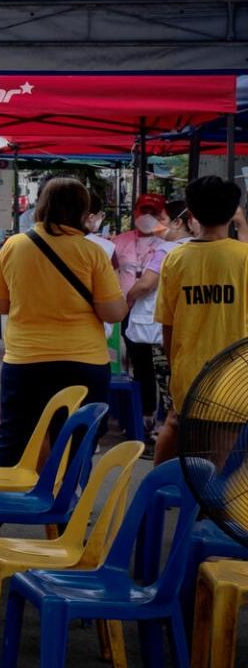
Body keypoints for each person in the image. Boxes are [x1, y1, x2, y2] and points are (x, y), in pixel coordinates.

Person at [0, 177, 127, 468]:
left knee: (15, 437)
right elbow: (113, 313)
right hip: (83, 360)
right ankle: (67, 505)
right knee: (78, 436)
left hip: (26, 361)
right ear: (83, 211)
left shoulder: (14, 246)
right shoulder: (92, 252)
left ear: (42, 205)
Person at [156, 175, 248, 463]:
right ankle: (208, 507)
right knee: (222, 448)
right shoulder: (244, 257)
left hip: (189, 371)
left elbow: (167, 326)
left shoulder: (176, 259)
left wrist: (175, 367)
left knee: (176, 425)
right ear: (233, 213)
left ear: (192, 214)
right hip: (235, 375)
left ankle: (153, 499)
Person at [125, 199, 191, 445]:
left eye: (162, 219)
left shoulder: (166, 250)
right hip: (188, 327)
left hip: (157, 329)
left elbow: (146, 284)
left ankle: (162, 440)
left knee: (165, 389)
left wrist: (128, 299)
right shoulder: (197, 248)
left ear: (179, 222)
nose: (157, 225)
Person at [113, 193, 171, 424]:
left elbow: (149, 284)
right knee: (139, 364)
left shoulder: (168, 243)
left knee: (162, 368)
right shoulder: (120, 241)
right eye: (143, 211)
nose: (147, 216)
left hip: (157, 314)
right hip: (128, 313)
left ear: (161, 215)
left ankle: (163, 417)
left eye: (153, 212)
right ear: (135, 212)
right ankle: (144, 415)